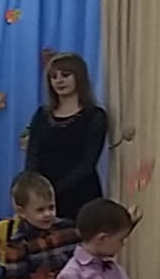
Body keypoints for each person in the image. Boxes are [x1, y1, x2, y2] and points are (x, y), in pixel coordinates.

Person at [24, 52, 108, 225]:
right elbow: (32, 154)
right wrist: (35, 189)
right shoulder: (41, 115)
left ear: (79, 77)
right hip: (42, 200)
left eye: (65, 75)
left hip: (81, 196)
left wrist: (53, 190)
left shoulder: (95, 116)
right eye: (53, 77)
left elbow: (88, 163)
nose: (59, 81)